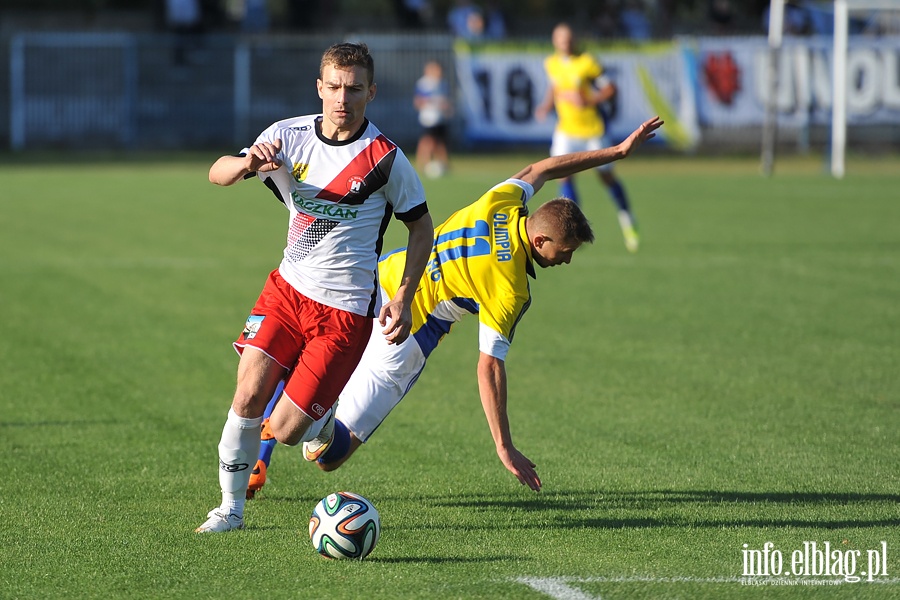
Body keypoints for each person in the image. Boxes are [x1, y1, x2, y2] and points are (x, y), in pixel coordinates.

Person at [245, 116, 664, 498]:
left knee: (310, 358)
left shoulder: (500, 201)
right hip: (406, 333)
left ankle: (276, 433)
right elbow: (489, 367)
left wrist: (617, 152)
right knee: (329, 456)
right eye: (566, 251)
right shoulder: (510, 288)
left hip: (374, 286)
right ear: (540, 242)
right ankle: (316, 415)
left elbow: (543, 168)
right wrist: (504, 446)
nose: (567, 260)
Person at [196, 42, 435, 533]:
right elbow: (216, 173)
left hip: (345, 314)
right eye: (333, 87)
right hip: (286, 291)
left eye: (353, 89)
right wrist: (246, 165)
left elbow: (421, 227)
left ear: (371, 92)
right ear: (319, 88)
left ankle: (322, 423)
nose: (342, 99)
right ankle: (229, 509)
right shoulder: (287, 137)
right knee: (247, 397)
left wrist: (405, 297)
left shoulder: (386, 160)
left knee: (285, 432)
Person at [534, 23, 641, 254]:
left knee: (607, 178)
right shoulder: (551, 63)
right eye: (561, 39)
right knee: (563, 177)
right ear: (555, 42)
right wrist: (545, 105)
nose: (565, 43)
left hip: (592, 130)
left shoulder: (587, 62)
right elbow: (554, 87)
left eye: (569, 38)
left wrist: (589, 101)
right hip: (566, 131)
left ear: (574, 39)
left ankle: (628, 220)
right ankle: (572, 230)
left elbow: (611, 89)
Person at [414, 60, 453, 178]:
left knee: (441, 141)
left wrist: (446, 107)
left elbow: (446, 100)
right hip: (429, 117)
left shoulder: (443, 83)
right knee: (428, 141)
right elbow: (418, 101)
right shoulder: (424, 83)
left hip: (440, 117)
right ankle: (422, 163)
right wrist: (431, 102)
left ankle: (444, 163)